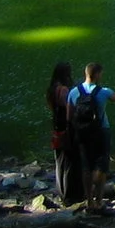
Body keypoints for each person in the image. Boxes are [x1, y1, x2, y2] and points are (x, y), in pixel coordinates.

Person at [66, 61, 115, 211]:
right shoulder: (103, 92)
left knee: (86, 166)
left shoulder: (73, 92)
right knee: (102, 166)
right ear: (96, 75)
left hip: (82, 133)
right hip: (101, 131)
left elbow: (69, 116)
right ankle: (99, 200)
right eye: (101, 73)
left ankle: (89, 201)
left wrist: (78, 128)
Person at [44, 60, 80, 205]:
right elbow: (69, 109)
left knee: (59, 161)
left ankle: (61, 192)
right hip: (66, 127)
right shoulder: (63, 90)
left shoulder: (51, 89)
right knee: (70, 161)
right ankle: (70, 194)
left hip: (56, 126)